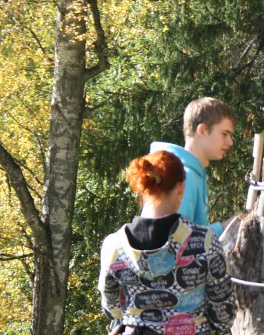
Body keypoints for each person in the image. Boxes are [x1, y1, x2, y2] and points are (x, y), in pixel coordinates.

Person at [98, 150, 236, 335]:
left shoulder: (114, 245)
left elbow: (112, 309)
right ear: (181, 188)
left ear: (144, 187)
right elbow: (223, 316)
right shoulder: (205, 242)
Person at [149, 97, 241, 236]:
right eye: (224, 134)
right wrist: (225, 227)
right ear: (202, 130)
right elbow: (173, 240)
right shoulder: (184, 177)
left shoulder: (190, 173)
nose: (230, 142)